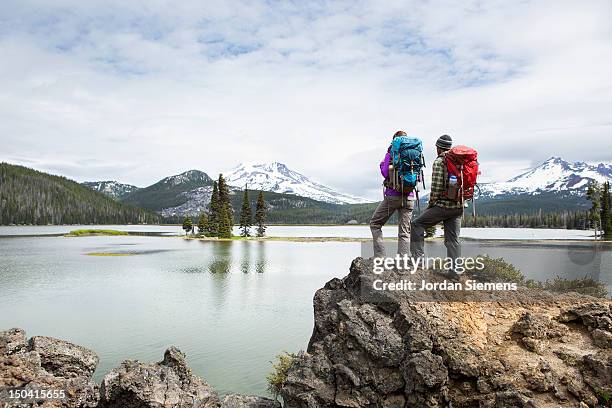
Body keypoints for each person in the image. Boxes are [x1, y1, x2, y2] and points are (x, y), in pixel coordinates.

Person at [410, 134, 464, 278]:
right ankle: (455, 272)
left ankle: (418, 263)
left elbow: (436, 187)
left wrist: (431, 205)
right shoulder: (460, 160)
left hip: (443, 206)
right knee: (453, 240)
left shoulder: (440, 161)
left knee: (416, 224)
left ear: (438, 147)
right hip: (459, 206)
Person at [370, 130, 415, 258]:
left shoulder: (391, 152)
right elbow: (418, 178)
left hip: (393, 195)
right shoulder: (413, 154)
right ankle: (403, 262)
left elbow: (385, 172)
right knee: (405, 232)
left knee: (375, 224)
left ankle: (380, 258)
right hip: (409, 196)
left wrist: (382, 165)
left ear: (394, 141)